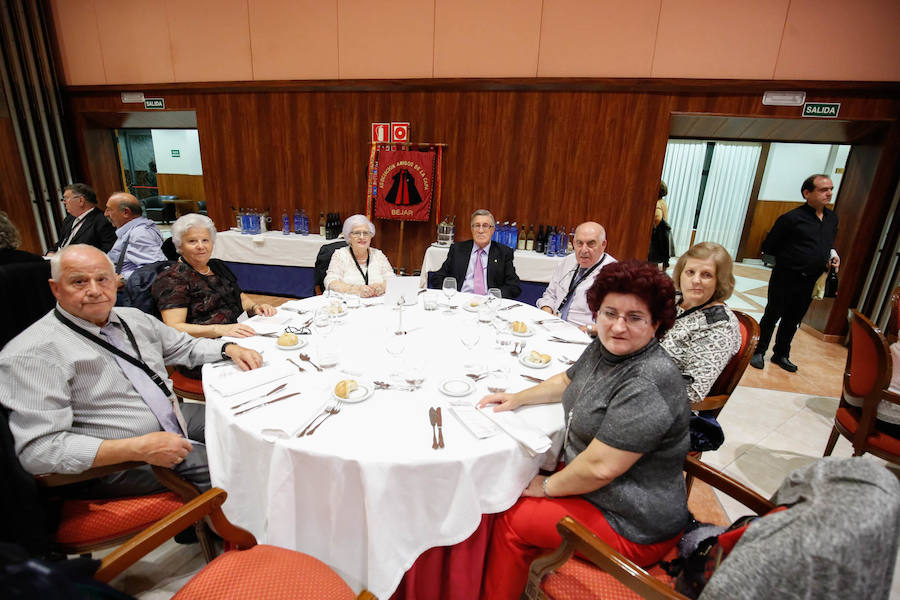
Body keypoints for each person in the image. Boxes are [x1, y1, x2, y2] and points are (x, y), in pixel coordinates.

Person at [478, 260, 690, 600]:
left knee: (509, 515)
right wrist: (518, 398)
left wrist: (546, 486)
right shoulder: (606, 350)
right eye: (609, 313)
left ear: (656, 324)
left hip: (632, 522)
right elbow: (567, 380)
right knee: (510, 480)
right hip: (603, 493)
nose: (618, 327)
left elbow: (600, 467)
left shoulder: (648, 380)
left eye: (634, 318)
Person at [0, 245, 262, 497]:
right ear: (55, 289)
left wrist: (228, 348)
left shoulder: (133, 319)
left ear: (116, 282)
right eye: (79, 282)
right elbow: (40, 451)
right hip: (115, 460)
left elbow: (185, 347)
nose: (94, 290)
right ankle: (239, 534)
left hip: (169, 416)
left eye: (102, 279)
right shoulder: (32, 353)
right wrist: (136, 448)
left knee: (243, 425)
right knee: (226, 466)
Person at [751, 174, 839, 372]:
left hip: (811, 278)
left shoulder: (832, 218)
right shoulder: (791, 219)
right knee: (772, 315)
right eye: (823, 190)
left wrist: (832, 253)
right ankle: (758, 351)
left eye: (831, 189)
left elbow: (828, 242)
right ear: (807, 193)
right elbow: (770, 247)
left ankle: (781, 354)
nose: (829, 193)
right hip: (786, 276)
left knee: (793, 319)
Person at [152, 214, 276, 339]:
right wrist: (220, 329)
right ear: (180, 246)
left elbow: (239, 297)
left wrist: (255, 307)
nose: (201, 246)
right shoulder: (172, 278)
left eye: (205, 240)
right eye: (192, 241)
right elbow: (174, 327)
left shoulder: (216, 265)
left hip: (239, 330)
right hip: (206, 343)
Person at [661, 242, 741, 405]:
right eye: (690, 272)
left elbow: (692, 391)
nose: (695, 280)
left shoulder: (718, 324)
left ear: (719, 281)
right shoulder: (674, 300)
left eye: (706, 275)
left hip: (668, 410)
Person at [536, 221, 616, 333]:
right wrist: (547, 309)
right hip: (553, 327)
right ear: (573, 243)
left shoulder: (614, 274)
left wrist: (588, 329)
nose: (584, 250)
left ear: (603, 245)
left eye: (591, 243)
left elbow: (617, 322)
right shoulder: (566, 262)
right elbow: (550, 295)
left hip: (586, 335)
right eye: (579, 243)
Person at [430, 209, 521, 299]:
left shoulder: (504, 253)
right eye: (477, 226)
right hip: (460, 301)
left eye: (485, 226)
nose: (480, 230)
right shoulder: (457, 249)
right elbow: (438, 277)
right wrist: (453, 295)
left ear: (492, 229)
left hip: (490, 304)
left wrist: (494, 297)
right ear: (472, 229)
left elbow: (514, 286)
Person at [323, 214, 394, 297]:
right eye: (357, 233)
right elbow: (330, 282)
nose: (362, 237)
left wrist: (382, 287)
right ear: (349, 236)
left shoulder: (378, 255)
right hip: (349, 304)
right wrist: (356, 289)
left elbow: (392, 279)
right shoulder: (340, 255)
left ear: (371, 236)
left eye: (366, 233)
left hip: (377, 303)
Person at [104, 192, 167, 284]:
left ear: (126, 212)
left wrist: (123, 280)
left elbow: (154, 268)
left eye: (109, 209)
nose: (106, 213)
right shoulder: (133, 229)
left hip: (127, 293)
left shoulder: (140, 234)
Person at [46, 184, 117, 255]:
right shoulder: (68, 219)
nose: (64, 202)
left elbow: (107, 250)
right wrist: (51, 252)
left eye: (66, 198)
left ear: (81, 200)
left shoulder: (102, 220)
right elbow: (61, 243)